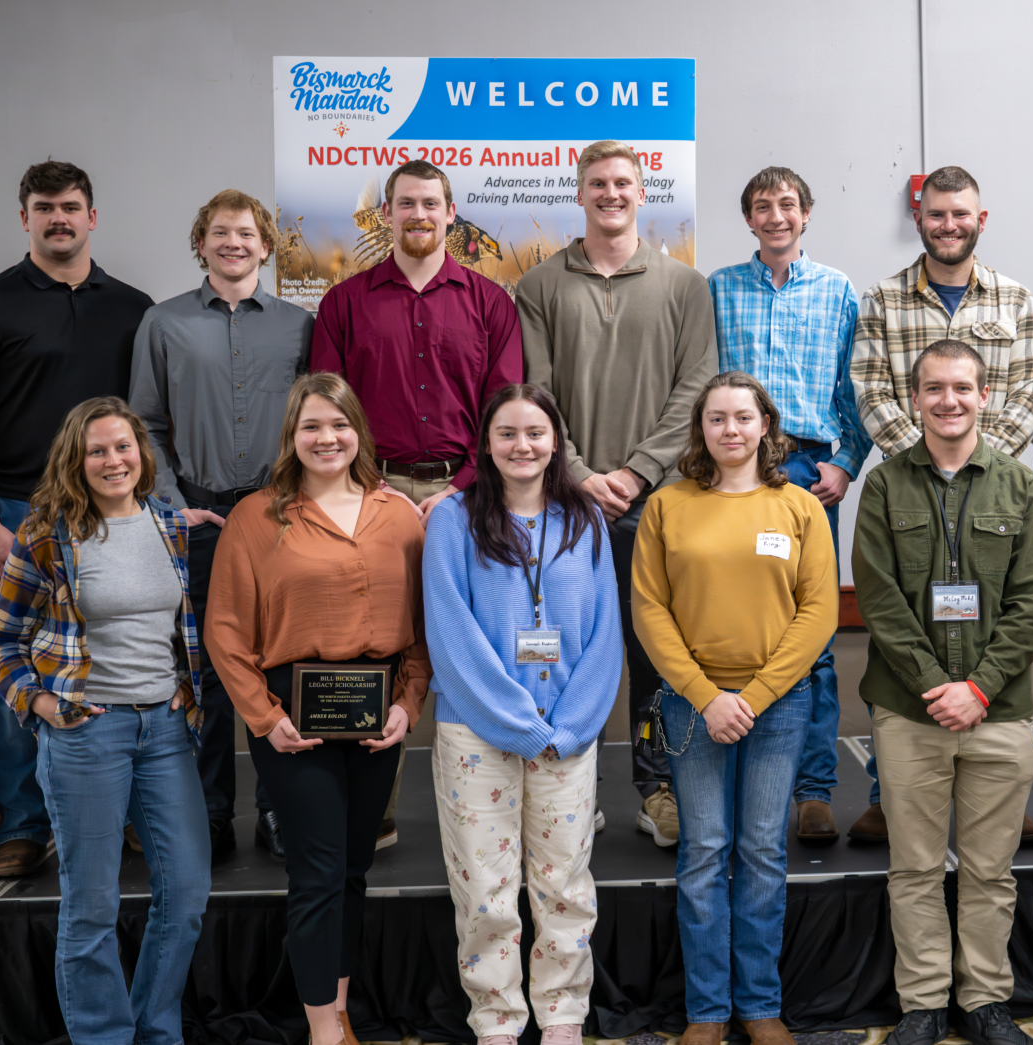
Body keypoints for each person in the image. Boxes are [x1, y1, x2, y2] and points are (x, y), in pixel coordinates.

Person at [0, 160, 153, 878]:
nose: (58, 217)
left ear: (93, 216)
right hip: (16, 512)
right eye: (43, 207)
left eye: (70, 206)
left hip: (111, 513)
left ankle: (120, 816)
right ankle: (22, 824)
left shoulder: (133, 308)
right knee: (19, 672)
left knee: (117, 665)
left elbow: (145, 424)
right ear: (23, 217)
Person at [206, 372, 432, 1045]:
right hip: (289, 713)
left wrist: (409, 701)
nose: (327, 437)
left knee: (354, 869)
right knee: (317, 870)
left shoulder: (400, 516)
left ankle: (339, 1012)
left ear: (358, 431)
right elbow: (224, 628)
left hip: (378, 711)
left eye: (339, 424)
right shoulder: (257, 515)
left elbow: (423, 626)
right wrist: (263, 714)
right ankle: (322, 1033)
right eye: (311, 426)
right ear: (292, 437)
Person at [0, 397, 208, 1045]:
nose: (113, 460)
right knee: (91, 909)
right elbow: (1, 640)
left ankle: (155, 1031)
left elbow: (180, 626)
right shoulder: (47, 534)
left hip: (165, 735)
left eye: (123, 446)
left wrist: (185, 691)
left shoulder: (169, 524)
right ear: (76, 461)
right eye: (97, 450)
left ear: (144, 451)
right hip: (86, 733)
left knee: (187, 897)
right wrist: (43, 703)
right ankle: (104, 1037)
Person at [312, 158, 521, 848]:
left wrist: (460, 490)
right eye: (405, 204)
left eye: (431, 203)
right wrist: (375, 487)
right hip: (371, 490)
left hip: (469, 492)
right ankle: (378, 808)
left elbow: (504, 412)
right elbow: (328, 410)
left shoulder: (491, 304)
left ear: (451, 213)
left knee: (476, 638)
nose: (419, 215)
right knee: (377, 640)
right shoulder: (344, 303)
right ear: (387, 216)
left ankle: (488, 803)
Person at [518, 140, 717, 847]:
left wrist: (635, 471)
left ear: (643, 193)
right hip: (561, 504)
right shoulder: (539, 286)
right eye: (598, 183)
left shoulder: (684, 287)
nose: (611, 193)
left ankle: (656, 785)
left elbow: (697, 387)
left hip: (655, 502)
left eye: (623, 183)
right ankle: (566, 786)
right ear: (580, 193)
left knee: (653, 653)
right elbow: (532, 393)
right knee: (557, 650)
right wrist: (573, 470)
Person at [851, 340, 1033, 1045]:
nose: (949, 400)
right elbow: (878, 599)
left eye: (962, 387)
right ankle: (924, 1003)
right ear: (915, 399)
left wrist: (980, 687)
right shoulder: (882, 485)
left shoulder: (1021, 485)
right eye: (934, 388)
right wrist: (941, 686)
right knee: (912, 867)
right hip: (910, 710)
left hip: (998, 711)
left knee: (991, 872)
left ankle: (987, 999)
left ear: (985, 394)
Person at [632, 371, 838, 1045]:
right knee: (702, 852)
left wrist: (748, 698)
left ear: (765, 426)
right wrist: (705, 695)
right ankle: (707, 1012)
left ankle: (759, 1005)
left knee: (760, 852)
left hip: (777, 705)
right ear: (701, 429)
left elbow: (818, 612)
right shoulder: (668, 504)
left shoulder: (800, 507)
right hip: (692, 706)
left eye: (743, 418)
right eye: (716, 418)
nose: (730, 429)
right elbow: (650, 611)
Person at [848, 165, 1033, 845]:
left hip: (991, 491)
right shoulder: (882, 299)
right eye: (937, 214)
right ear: (919, 218)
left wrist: (969, 460)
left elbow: (1027, 390)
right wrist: (928, 460)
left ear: (980, 220)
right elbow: (871, 388)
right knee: (905, 623)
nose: (950, 224)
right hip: (909, 490)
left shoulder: (1015, 298)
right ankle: (892, 794)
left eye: (962, 214)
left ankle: (992, 792)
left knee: (989, 613)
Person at [424, 384, 620, 1045]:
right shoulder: (452, 519)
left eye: (535, 432)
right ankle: (498, 1020)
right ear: (485, 442)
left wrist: (567, 727)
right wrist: (520, 723)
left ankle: (562, 1014)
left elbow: (604, 635)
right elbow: (452, 636)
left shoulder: (585, 518)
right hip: (477, 732)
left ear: (557, 441)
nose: (522, 445)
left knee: (564, 880)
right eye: (506, 433)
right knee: (484, 886)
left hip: (566, 735)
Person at [129, 188, 314, 864]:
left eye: (245, 233)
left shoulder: (300, 326)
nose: (232, 243)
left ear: (267, 245)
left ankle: (278, 809)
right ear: (200, 244)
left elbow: (318, 425)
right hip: (200, 515)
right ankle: (210, 815)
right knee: (205, 668)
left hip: (280, 515)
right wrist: (173, 502)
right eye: (218, 233)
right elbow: (144, 423)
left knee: (281, 664)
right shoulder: (164, 322)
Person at [710, 165, 870, 844]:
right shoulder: (717, 289)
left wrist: (845, 462)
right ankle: (736, 773)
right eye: (760, 206)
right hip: (733, 467)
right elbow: (702, 385)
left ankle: (812, 788)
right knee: (732, 625)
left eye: (786, 204)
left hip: (808, 470)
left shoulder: (838, 292)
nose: (774, 215)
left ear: (806, 214)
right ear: (748, 219)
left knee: (814, 634)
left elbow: (854, 390)